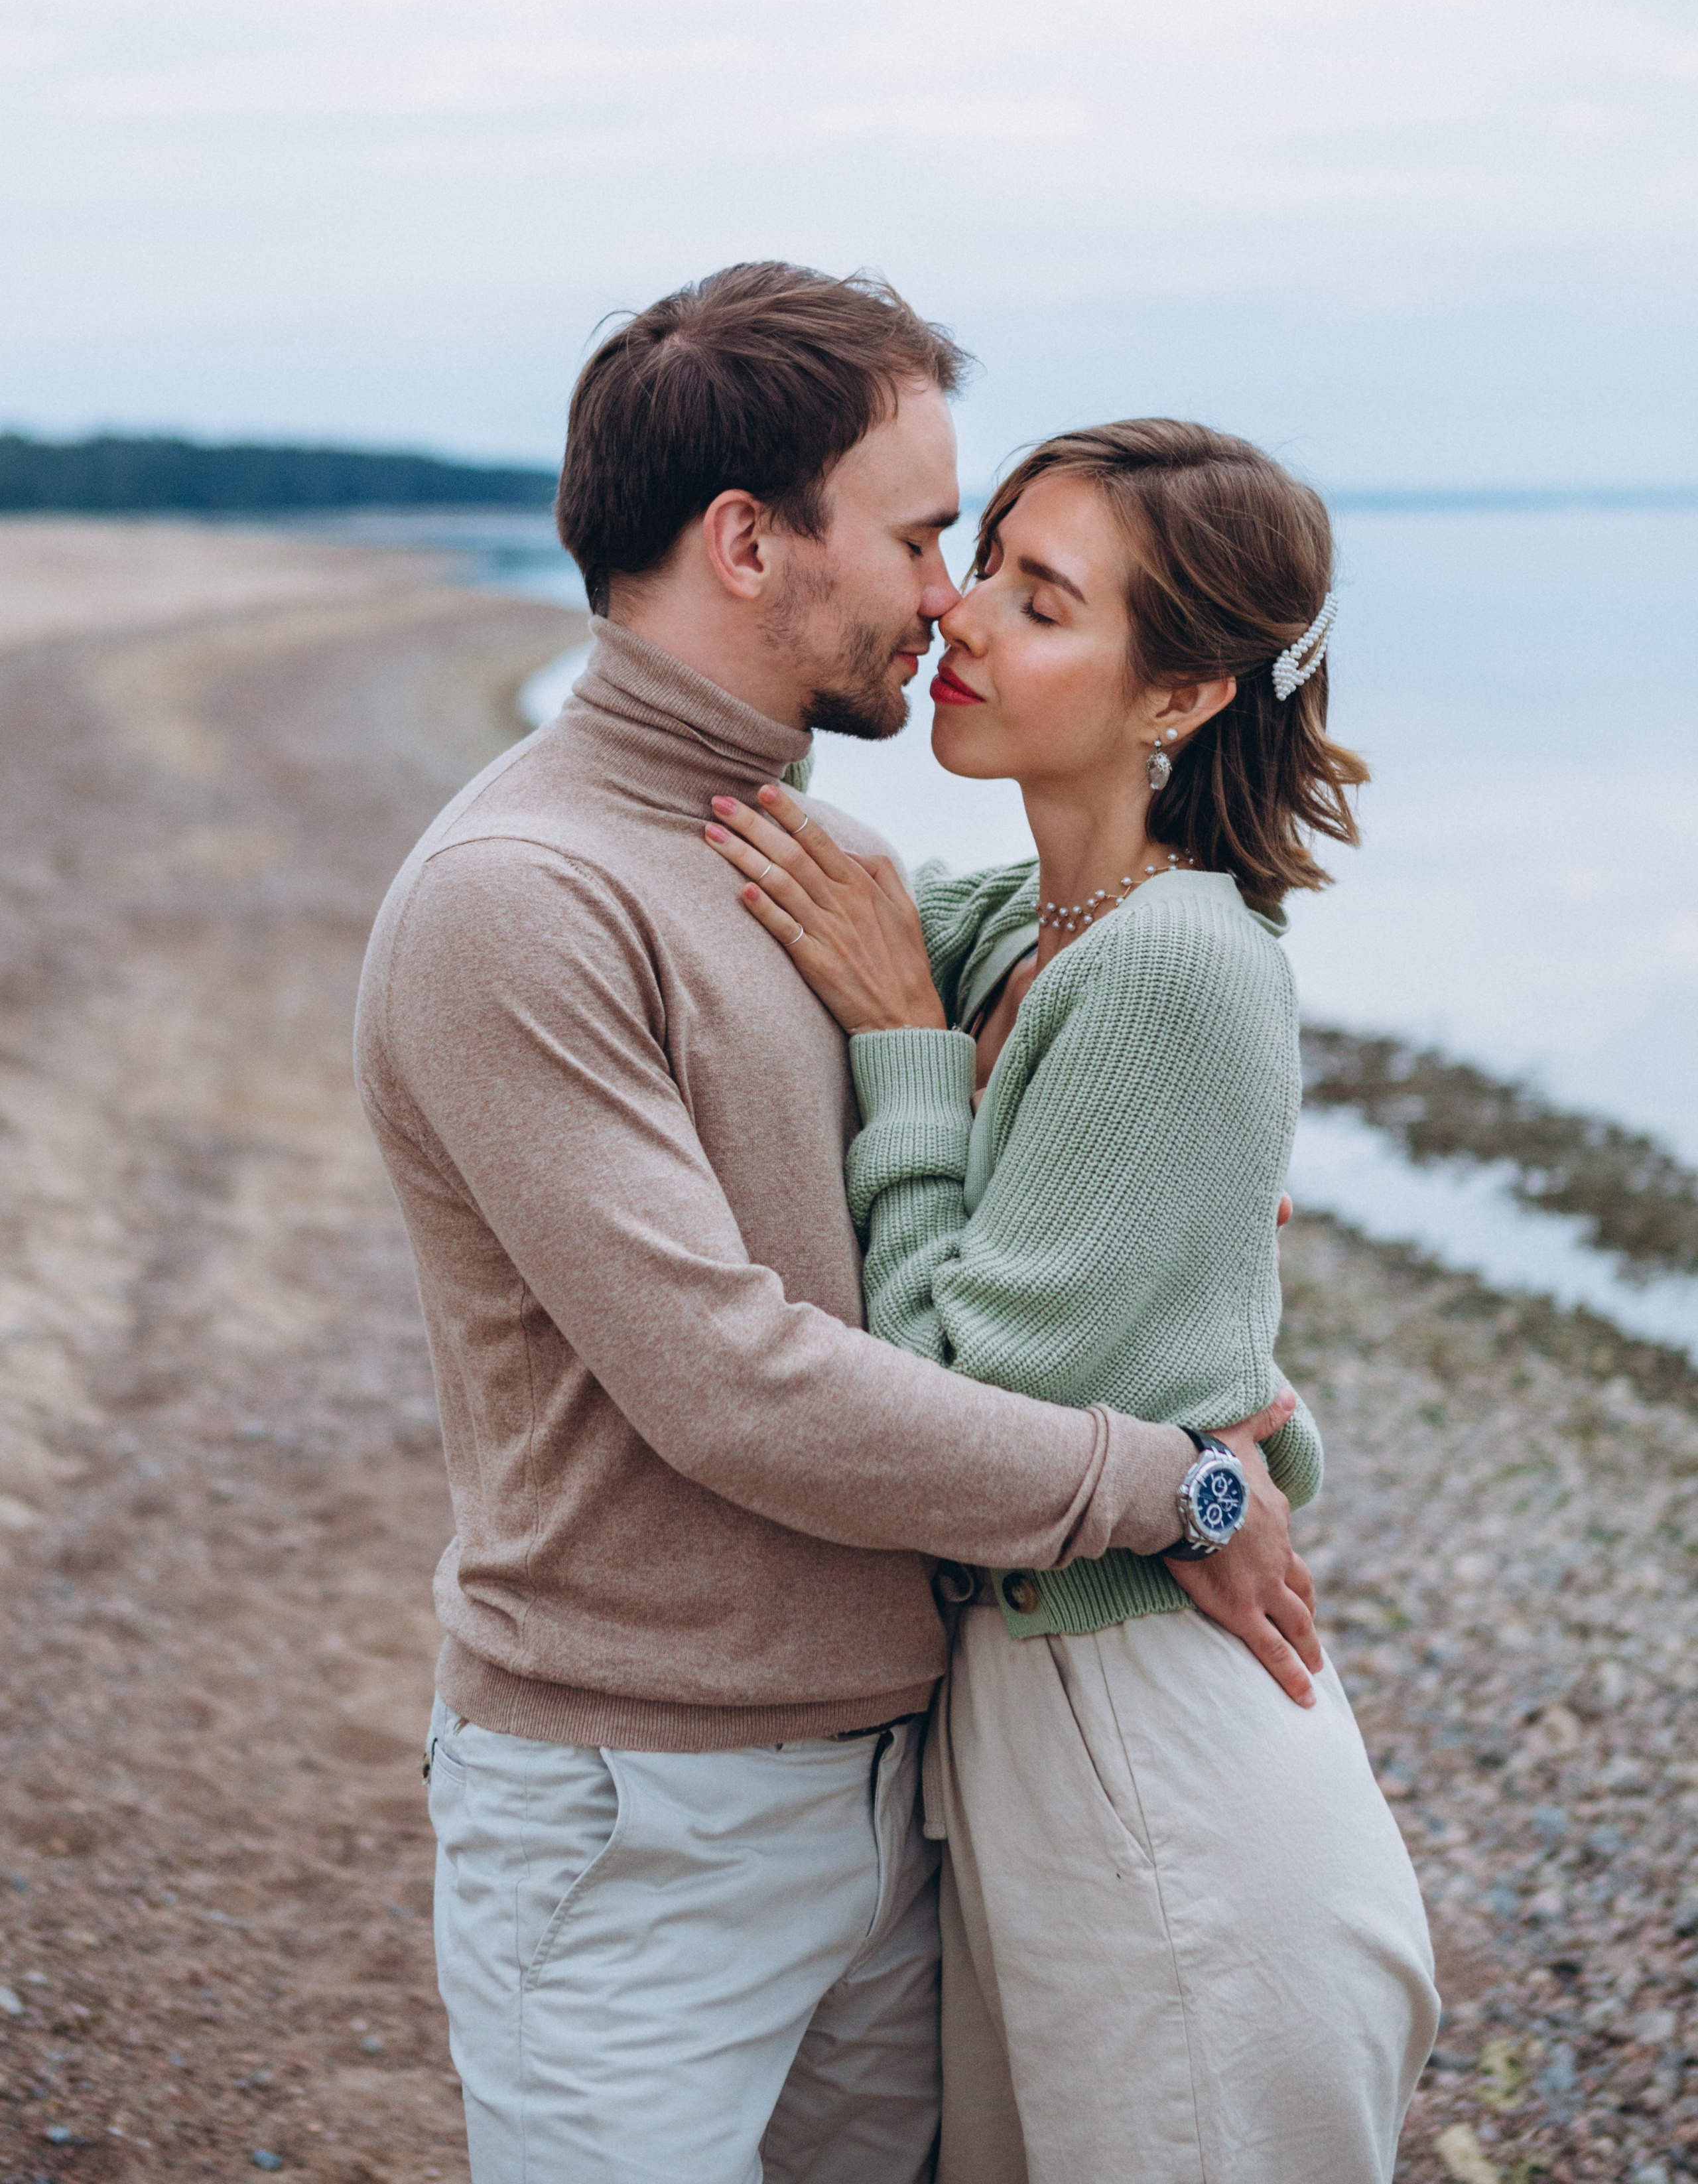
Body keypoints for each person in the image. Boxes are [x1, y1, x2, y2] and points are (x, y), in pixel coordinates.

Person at [354, 270, 1325, 2184]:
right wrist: (1176, 1489)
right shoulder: (522, 899)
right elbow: (737, 1383)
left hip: (905, 1785)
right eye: (916, 535)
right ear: (745, 544)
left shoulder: (821, 864)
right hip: (642, 1811)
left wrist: (1185, 1201)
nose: (945, 595)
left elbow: (1103, 1003)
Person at [702, 419, 1441, 2184]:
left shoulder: (1174, 963)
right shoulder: (1021, 932)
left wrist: (904, 1061)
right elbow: (1166, 1303)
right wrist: (1242, 1422)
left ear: (1180, 696)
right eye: (984, 565)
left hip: (1156, 1766)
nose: (959, 614)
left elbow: (946, 1402)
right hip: (1059, 1735)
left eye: (1040, 601)